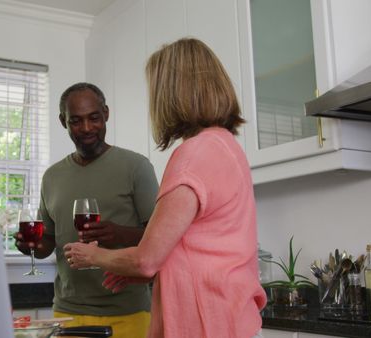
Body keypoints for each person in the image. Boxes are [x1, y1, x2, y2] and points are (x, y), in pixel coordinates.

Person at [64, 38, 267, 338]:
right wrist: (151, 271)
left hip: (206, 325)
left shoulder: (194, 155)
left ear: (172, 93)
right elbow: (197, 248)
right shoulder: (226, 146)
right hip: (232, 319)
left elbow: (146, 260)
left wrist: (91, 256)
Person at [15, 82, 159, 338]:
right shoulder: (52, 177)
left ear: (106, 114)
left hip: (128, 312)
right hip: (68, 312)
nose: (87, 128)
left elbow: (159, 238)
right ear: (63, 121)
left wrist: (118, 234)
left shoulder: (136, 167)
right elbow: (48, 241)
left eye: (94, 118)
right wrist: (30, 246)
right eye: (76, 121)